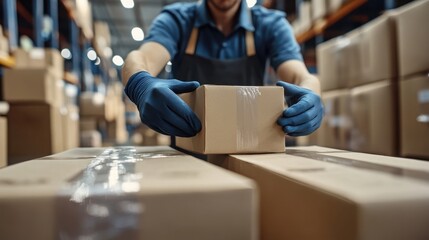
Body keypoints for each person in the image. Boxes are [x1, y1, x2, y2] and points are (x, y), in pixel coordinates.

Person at [122, 0, 323, 139]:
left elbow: (301, 76)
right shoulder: (177, 20)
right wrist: (141, 84)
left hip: (248, 148)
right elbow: (141, 58)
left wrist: (312, 95)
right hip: (187, 150)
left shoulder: (271, 25)